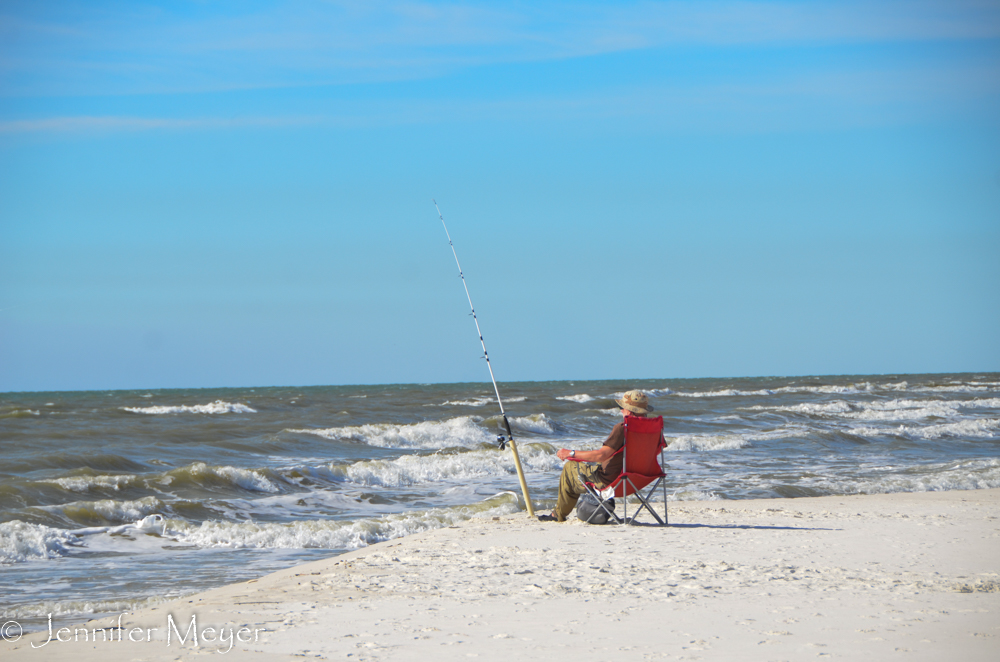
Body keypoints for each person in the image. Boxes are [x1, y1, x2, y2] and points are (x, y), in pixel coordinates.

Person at [538, 390, 664, 522]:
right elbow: (657, 451)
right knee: (593, 465)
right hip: (640, 479)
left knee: (570, 467)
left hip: (612, 481)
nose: (621, 411)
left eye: (622, 408)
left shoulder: (623, 428)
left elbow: (601, 455)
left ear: (629, 411)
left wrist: (571, 453)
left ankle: (557, 515)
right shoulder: (654, 428)